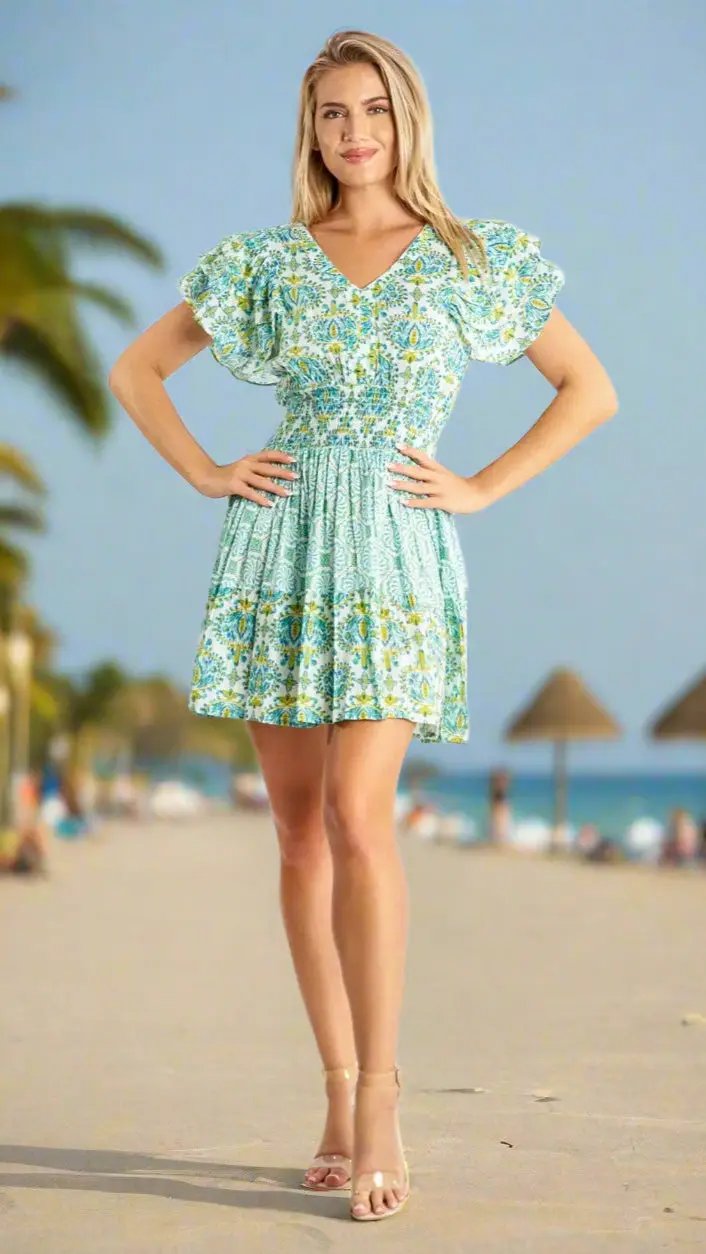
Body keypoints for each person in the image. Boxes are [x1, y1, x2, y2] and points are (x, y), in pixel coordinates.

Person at [107, 28, 618, 1224]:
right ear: (312, 132)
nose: (353, 134)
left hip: (393, 553)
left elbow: (588, 390)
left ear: (406, 119)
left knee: (355, 813)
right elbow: (138, 373)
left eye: (371, 110)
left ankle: (384, 1095)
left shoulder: (463, 256)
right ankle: (334, 1091)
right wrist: (204, 472)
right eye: (332, 115)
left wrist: (482, 486)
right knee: (294, 834)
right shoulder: (269, 263)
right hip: (278, 550)